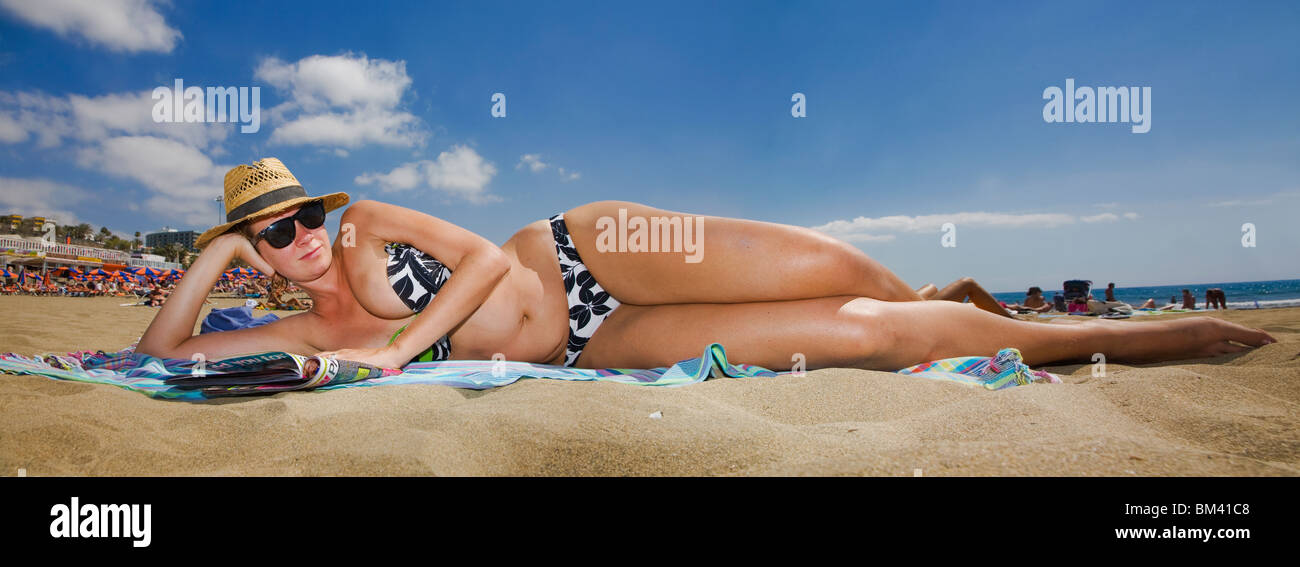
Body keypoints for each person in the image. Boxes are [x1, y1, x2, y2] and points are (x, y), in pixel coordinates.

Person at [135, 158, 1276, 372]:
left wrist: (396, 348)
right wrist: (209, 256)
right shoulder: (293, 324)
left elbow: (483, 259)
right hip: (591, 346)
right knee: (855, 333)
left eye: (296, 216)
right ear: (256, 257)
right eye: (268, 234)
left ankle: (937, 289)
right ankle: (1097, 337)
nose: (296, 239)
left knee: (826, 261)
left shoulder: (369, 226)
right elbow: (157, 357)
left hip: (585, 247)